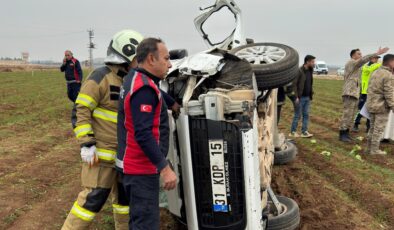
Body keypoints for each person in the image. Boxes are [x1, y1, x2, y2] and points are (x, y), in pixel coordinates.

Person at [62, 30, 144, 230]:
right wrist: (86, 143)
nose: (140, 62)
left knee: (124, 202)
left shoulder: (131, 80)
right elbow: (80, 109)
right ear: (125, 56)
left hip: (124, 156)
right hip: (100, 155)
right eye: (137, 58)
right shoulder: (101, 77)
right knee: (92, 200)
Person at [117, 38, 177, 230]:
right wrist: (165, 168)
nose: (170, 64)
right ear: (151, 59)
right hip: (141, 171)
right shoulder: (144, 89)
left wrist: (173, 103)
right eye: (166, 58)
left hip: (134, 169)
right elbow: (142, 133)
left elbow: (156, 92)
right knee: (145, 225)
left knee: (139, 222)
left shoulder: (135, 78)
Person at [339, 47, 389, 142]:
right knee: (347, 114)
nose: (360, 55)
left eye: (361, 54)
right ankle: (342, 133)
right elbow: (363, 60)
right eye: (359, 54)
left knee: (351, 114)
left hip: (354, 93)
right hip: (349, 93)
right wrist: (376, 53)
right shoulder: (351, 62)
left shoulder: (358, 67)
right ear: (353, 55)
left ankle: (346, 133)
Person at [365, 54, 394, 155]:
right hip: (381, 106)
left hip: (372, 104)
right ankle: (374, 150)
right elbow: (389, 93)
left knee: (372, 128)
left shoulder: (375, 72)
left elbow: (369, 88)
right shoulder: (388, 75)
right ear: (391, 62)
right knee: (378, 129)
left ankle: (368, 148)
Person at [352, 55, 382, 132]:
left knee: (371, 110)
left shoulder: (377, 67)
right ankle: (355, 124)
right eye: (375, 58)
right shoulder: (366, 67)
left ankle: (368, 126)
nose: (377, 60)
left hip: (373, 92)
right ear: (371, 59)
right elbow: (370, 69)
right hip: (365, 92)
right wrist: (381, 64)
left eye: (378, 59)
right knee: (361, 109)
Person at [289, 55, 316, 138]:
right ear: (307, 62)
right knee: (298, 115)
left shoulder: (310, 70)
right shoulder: (299, 71)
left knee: (306, 115)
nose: (314, 63)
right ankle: (293, 132)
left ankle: (304, 132)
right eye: (312, 62)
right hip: (300, 98)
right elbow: (294, 85)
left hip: (307, 97)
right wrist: (296, 97)